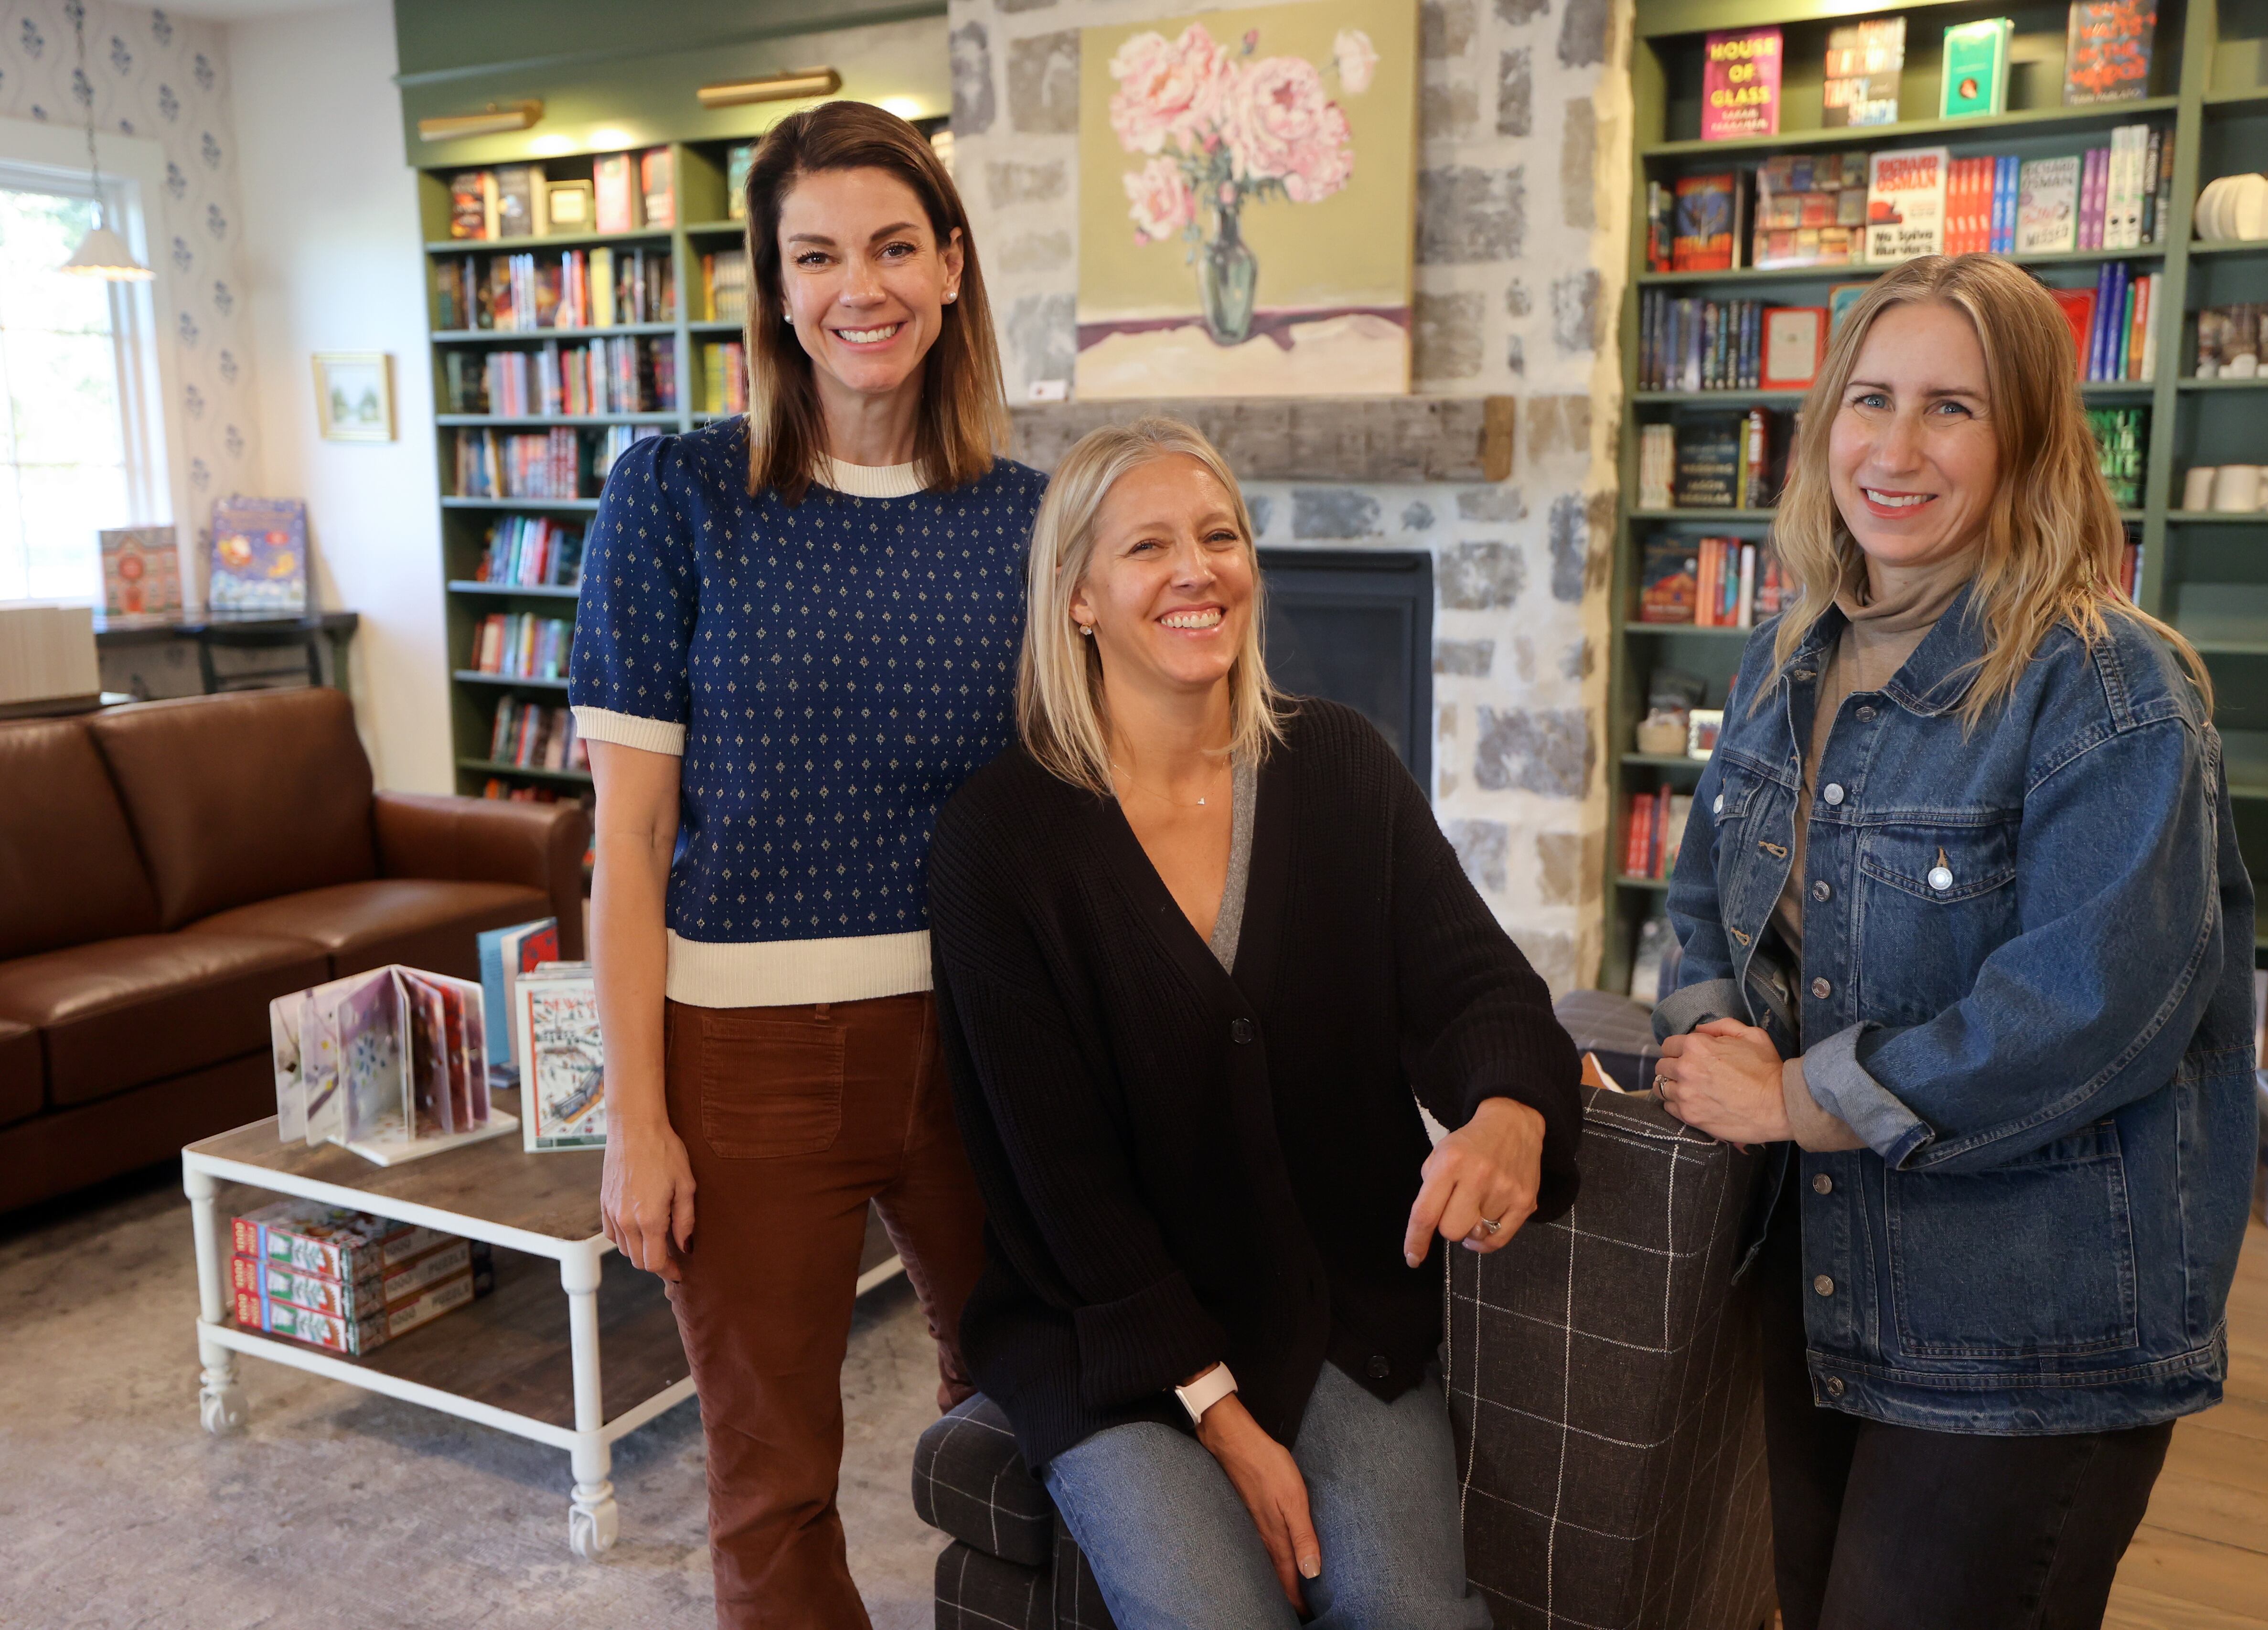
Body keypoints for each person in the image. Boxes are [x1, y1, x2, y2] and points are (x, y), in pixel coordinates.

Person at [1649, 253, 2257, 1630]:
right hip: (1821, 1279)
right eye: (1872, 398)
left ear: (2031, 440)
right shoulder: (1786, 649)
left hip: (2024, 1324)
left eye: (1954, 409)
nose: (1898, 448)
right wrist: (1708, 1035)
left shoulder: (2109, 683)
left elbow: (2094, 1005)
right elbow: (1704, 903)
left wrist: (1799, 1096)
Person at [924, 419, 1583, 1630]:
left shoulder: (1337, 764)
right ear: (1077, 597)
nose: (1195, 570)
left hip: (1333, 1296)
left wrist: (1510, 1109)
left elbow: (1476, 985)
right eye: (1148, 548)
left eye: (1218, 536)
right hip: (1108, 1336)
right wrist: (1222, 1419)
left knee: (1413, 1618)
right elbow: (1062, 1190)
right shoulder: (997, 842)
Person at [566, 102, 1045, 1629]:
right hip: (745, 1053)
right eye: (819, 253)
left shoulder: (1031, 523)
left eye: (897, 245)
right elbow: (628, 839)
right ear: (774, 289)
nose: (864, 286)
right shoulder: (677, 494)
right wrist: (632, 1115)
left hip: (984, 1043)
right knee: (771, 1476)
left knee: (1046, 1409)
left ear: (953, 267)